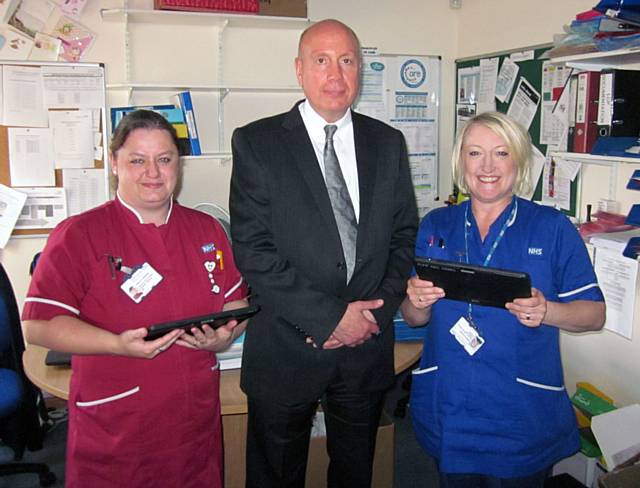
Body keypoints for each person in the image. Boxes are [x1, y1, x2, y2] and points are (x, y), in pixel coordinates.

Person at [229, 19, 418, 488]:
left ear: (360, 70)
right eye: (321, 60)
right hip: (287, 347)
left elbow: (403, 236)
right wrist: (330, 318)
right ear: (299, 69)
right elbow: (254, 250)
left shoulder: (387, 143)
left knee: (355, 472)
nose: (335, 74)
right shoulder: (257, 142)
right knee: (275, 475)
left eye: (347, 60)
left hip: (365, 348)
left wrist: (373, 316)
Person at [22, 109, 249, 488]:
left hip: (193, 420)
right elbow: (38, 326)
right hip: (119, 424)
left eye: (164, 159)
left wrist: (226, 333)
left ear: (179, 163)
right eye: (137, 160)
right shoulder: (79, 234)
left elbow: (235, 303)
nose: (153, 173)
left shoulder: (206, 229)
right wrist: (114, 344)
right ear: (114, 163)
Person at [401, 111, 606, 488]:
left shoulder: (552, 227)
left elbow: (594, 315)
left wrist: (548, 311)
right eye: (475, 153)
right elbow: (414, 318)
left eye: (501, 153)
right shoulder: (436, 225)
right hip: (451, 407)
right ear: (461, 162)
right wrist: (416, 300)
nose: (488, 166)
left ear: (519, 161)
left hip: (520, 414)